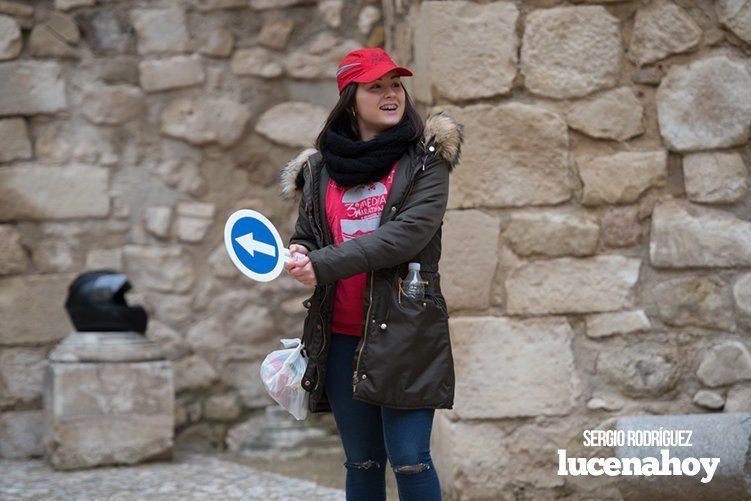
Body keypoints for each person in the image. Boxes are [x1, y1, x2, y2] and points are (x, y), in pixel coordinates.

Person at [278, 47, 464, 501]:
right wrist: (300, 253)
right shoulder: (319, 168)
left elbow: (406, 237)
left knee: (410, 460)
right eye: (375, 86)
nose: (389, 94)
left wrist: (321, 264)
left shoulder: (426, 160)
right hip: (339, 334)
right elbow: (308, 233)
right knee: (360, 463)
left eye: (395, 84)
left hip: (405, 332)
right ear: (350, 97)